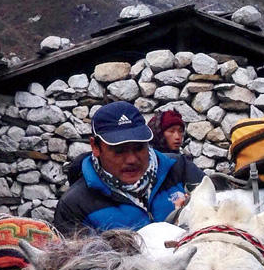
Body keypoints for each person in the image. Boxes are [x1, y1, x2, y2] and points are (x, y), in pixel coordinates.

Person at [54, 101, 204, 236]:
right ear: (95, 147)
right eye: (119, 150)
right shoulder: (74, 205)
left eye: (139, 148)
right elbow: (79, 263)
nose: (132, 159)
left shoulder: (179, 168)